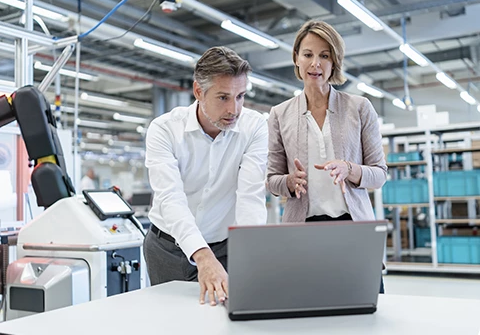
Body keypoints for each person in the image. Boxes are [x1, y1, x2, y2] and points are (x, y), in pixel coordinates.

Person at [266, 20, 387, 292]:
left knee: (365, 313)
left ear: (335, 62)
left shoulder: (359, 107)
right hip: (303, 230)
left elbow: (380, 174)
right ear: (296, 58)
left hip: (353, 228)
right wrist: (288, 182)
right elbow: (271, 179)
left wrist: (349, 169)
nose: (315, 64)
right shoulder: (279, 114)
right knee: (309, 316)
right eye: (308, 54)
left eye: (324, 56)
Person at [144, 46, 268, 305]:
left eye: (241, 96)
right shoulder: (164, 130)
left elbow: (250, 197)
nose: (234, 109)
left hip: (224, 247)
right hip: (167, 248)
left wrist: (251, 255)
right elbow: (171, 199)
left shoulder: (254, 127)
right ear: (199, 92)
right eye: (223, 97)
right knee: (170, 326)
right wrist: (202, 255)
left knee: (223, 326)